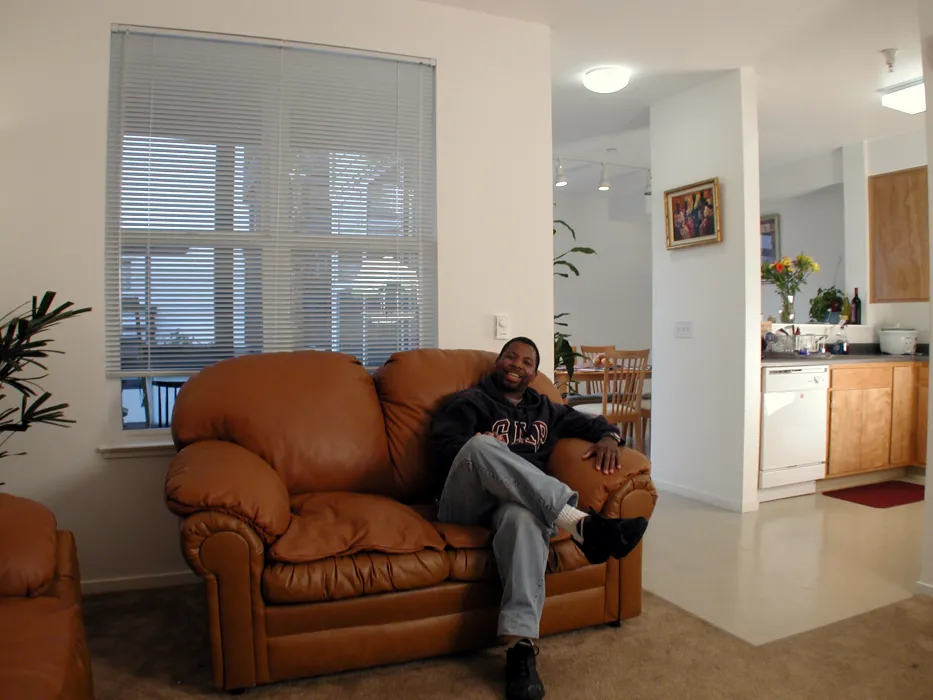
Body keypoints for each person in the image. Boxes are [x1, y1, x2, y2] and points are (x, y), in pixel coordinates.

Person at [430, 337, 649, 700]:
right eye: (510, 357)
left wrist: (610, 436)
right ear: (498, 363)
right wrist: (478, 447)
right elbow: (441, 452)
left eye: (527, 361)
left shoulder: (546, 409)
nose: (517, 364)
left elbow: (590, 423)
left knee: (524, 518)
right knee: (483, 446)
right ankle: (579, 523)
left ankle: (520, 650)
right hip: (464, 501)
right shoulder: (469, 402)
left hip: (514, 504)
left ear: (534, 374)